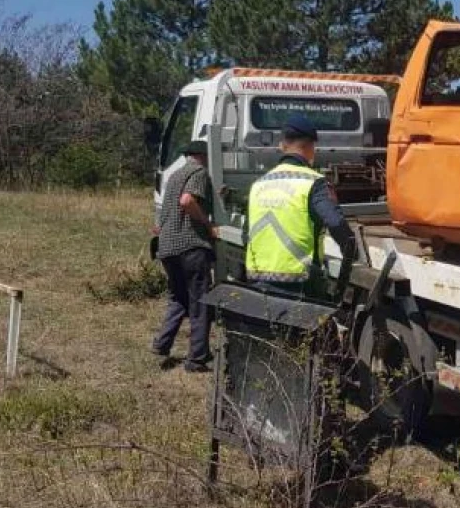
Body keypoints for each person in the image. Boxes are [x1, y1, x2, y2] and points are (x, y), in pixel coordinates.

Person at [245, 115, 356, 296]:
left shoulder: (259, 184)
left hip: (258, 279)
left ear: (282, 146)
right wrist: (353, 253)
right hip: (300, 282)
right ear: (311, 148)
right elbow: (335, 222)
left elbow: (246, 234)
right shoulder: (314, 182)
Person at [152, 140, 218, 372]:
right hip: (190, 245)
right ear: (203, 156)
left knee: (178, 298)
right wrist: (208, 225)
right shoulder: (199, 172)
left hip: (167, 246)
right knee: (200, 302)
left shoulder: (176, 175)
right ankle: (197, 358)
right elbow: (187, 201)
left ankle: (162, 343)